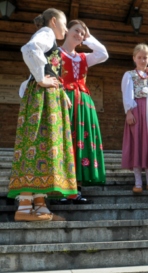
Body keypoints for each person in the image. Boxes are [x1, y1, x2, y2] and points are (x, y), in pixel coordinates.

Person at [9, 8, 77, 222]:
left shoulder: (50, 38)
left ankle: (39, 205)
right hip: (42, 97)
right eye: (65, 24)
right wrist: (41, 78)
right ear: (54, 22)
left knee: (45, 147)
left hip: (49, 97)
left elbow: (49, 68)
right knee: (37, 144)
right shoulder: (47, 33)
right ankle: (24, 207)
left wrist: (61, 92)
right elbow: (30, 49)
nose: (66, 29)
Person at [57, 19, 108, 204]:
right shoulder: (55, 53)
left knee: (80, 143)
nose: (79, 34)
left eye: (82, 32)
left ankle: (76, 190)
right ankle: (62, 189)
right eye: (76, 30)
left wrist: (88, 38)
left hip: (84, 104)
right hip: (63, 101)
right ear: (66, 31)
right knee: (64, 142)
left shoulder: (83, 57)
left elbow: (103, 54)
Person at [121, 43, 148, 194]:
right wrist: (129, 112)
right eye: (140, 57)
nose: (142, 60)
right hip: (137, 112)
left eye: (145, 57)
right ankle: (138, 182)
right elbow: (127, 94)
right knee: (138, 144)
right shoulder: (129, 75)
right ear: (134, 58)